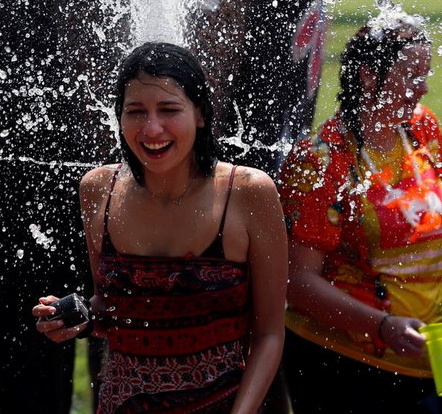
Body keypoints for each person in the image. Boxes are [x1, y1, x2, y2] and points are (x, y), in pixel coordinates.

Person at [277, 16, 442, 413]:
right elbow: (297, 283)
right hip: (343, 366)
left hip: (433, 358)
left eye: (426, 74)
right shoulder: (322, 159)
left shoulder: (422, 127)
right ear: (369, 77)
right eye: (411, 76)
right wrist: (380, 325)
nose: (423, 88)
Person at [33, 42, 288, 413]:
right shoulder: (97, 190)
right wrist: (80, 319)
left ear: (199, 114)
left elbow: (268, 334)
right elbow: (112, 309)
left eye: (169, 110)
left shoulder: (248, 193)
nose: (152, 129)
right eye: (135, 112)